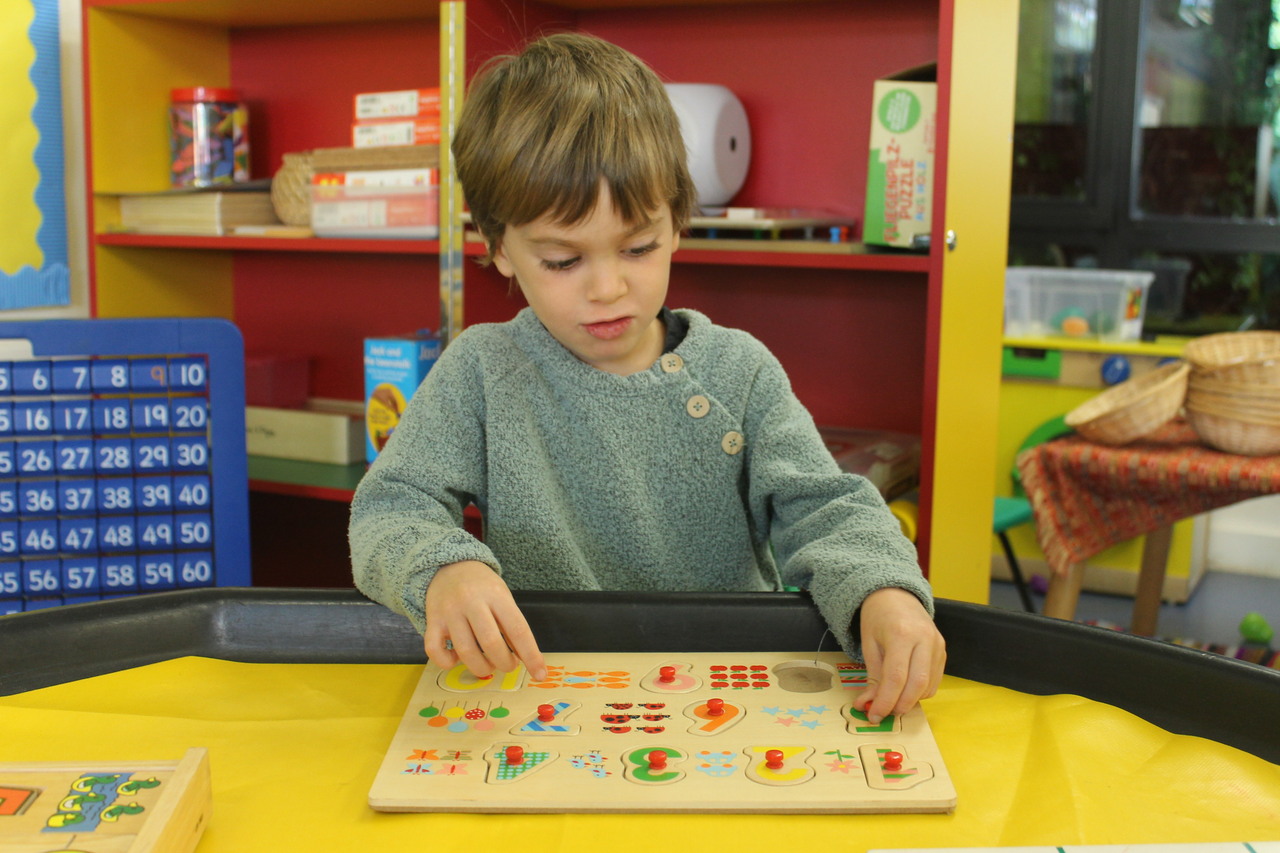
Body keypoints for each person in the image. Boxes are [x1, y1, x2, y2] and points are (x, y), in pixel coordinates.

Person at [349, 32, 945, 722]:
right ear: (499, 248)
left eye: (638, 246)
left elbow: (827, 509)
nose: (608, 287)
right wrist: (445, 568)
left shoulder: (739, 371)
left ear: (678, 221)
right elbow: (391, 505)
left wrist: (885, 590)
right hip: (551, 697)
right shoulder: (482, 372)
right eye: (562, 260)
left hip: (726, 696)